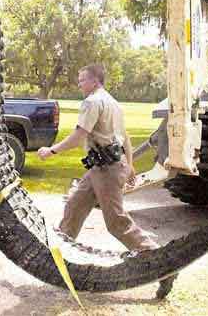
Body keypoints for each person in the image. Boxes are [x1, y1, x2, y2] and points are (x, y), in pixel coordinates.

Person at [37, 63, 176, 299]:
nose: (79, 84)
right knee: (74, 206)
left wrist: (51, 151)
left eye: (82, 80)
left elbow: (79, 135)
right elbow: (126, 137)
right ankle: (56, 264)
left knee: (116, 222)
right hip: (100, 168)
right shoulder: (112, 101)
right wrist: (130, 164)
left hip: (107, 170)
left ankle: (163, 267)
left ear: (94, 81)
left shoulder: (93, 102)